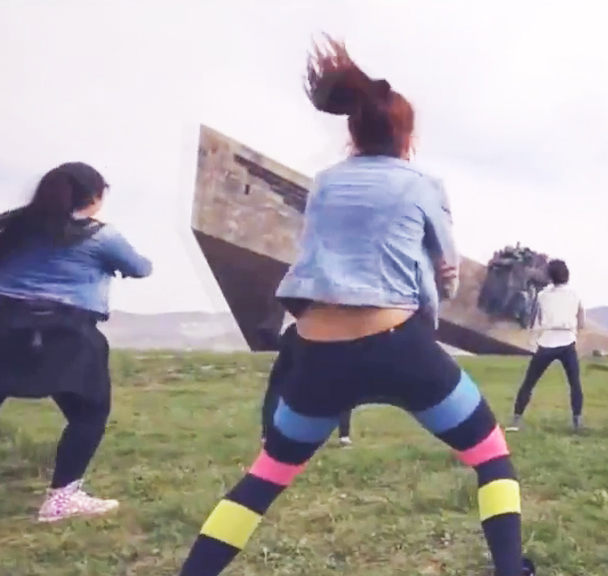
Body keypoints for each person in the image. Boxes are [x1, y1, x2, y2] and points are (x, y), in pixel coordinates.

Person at [177, 36, 534, 576]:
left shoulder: (324, 184)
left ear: (354, 131)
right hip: (399, 347)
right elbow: (448, 267)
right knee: (491, 457)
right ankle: (510, 569)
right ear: (406, 136)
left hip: (317, 353)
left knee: (266, 476)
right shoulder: (422, 184)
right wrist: (439, 283)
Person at [0, 162, 152, 522]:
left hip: (4, 325)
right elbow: (141, 267)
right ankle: (61, 499)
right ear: (94, 197)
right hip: (66, 334)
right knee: (89, 412)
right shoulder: (101, 236)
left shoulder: (11, 223)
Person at [507, 259, 585, 433]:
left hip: (547, 341)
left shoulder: (542, 295)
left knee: (529, 382)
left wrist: (533, 338)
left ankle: (516, 418)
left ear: (549, 276)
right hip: (567, 341)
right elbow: (581, 321)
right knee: (574, 383)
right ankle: (577, 421)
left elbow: (536, 319)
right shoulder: (575, 295)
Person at [260, 319, 354, 446]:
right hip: (324, 353)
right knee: (342, 390)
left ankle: (267, 433)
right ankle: (344, 435)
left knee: (274, 390)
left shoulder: (295, 329)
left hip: (299, 354)